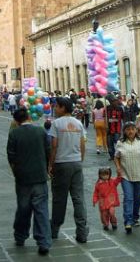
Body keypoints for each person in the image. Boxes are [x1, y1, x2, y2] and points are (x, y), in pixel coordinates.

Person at [7, 107, 52, 255]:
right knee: (41, 210)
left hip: (23, 178)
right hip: (40, 176)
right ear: (28, 117)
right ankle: (43, 242)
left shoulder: (14, 133)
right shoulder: (40, 131)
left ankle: (20, 236)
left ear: (16, 120)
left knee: (23, 208)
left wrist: (16, 173)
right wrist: (47, 168)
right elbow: (48, 151)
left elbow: (11, 157)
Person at [48, 97, 89, 243]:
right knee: (78, 198)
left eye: (57, 106)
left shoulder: (56, 124)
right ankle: (82, 231)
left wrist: (51, 164)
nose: (55, 109)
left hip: (61, 163)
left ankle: (54, 229)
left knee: (59, 199)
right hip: (76, 163)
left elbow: (54, 146)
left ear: (63, 108)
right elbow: (83, 144)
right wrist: (80, 159)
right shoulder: (78, 123)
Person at [114, 121, 140, 233]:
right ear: (124, 131)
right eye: (128, 129)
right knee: (128, 198)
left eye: (132, 129)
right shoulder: (120, 143)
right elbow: (116, 157)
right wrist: (118, 167)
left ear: (136, 130)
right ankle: (128, 221)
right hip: (125, 175)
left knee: (137, 199)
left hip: (139, 175)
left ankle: (135, 217)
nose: (130, 131)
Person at [92, 167, 122, 231]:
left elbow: (118, 179)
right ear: (100, 175)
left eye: (107, 174)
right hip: (103, 202)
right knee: (104, 214)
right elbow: (95, 193)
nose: (105, 176)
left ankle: (114, 223)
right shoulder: (98, 184)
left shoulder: (112, 181)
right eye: (103, 175)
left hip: (111, 201)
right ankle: (105, 224)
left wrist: (119, 174)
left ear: (109, 174)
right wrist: (94, 200)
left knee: (112, 212)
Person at [105, 94, 124, 162]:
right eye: (113, 101)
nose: (115, 102)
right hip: (109, 129)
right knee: (110, 145)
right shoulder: (107, 108)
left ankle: (119, 155)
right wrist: (106, 124)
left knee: (118, 144)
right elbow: (104, 117)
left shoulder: (120, 108)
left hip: (117, 129)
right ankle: (112, 156)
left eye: (115, 101)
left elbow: (122, 117)